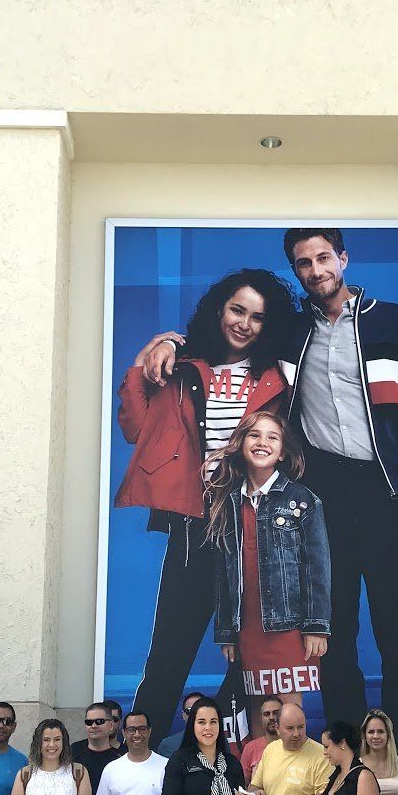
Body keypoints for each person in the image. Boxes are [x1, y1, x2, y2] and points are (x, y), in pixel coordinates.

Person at [118, 268, 297, 749]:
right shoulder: (182, 369)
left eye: (257, 317)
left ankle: (236, 751)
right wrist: (148, 353)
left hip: (254, 526)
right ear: (219, 310)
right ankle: (137, 759)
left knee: (252, 653)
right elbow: (135, 428)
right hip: (195, 524)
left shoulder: (278, 377)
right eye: (237, 310)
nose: (244, 324)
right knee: (169, 651)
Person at [283, 228, 398, 757]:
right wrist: (169, 342)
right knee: (334, 635)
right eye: (304, 263)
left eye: (323, 257)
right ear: (296, 271)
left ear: (343, 259)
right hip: (325, 495)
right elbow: (229, 335)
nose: (315, 269)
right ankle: (347, 763)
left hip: (387, 490)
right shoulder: (290, 330)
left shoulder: (393, 320)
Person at [206, 411, 331, 725]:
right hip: (248, 627)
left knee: (288, 713)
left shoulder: (302, 500)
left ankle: (292, 760)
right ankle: (258, 760)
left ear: (283, 451)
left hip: (289, 626)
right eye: (254, 435)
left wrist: (316, 626)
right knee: (259, 713)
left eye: (272, 437)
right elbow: (223, 574)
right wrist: (227, 632)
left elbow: (317, 568)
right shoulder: (228, 502)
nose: (262, 442)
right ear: (242, 444)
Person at [154, 691, 204, 759]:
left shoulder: (218, 742)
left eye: (200, 710)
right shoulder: (167, 745)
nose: (195, 715)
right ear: (183, 715)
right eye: (189, 711)